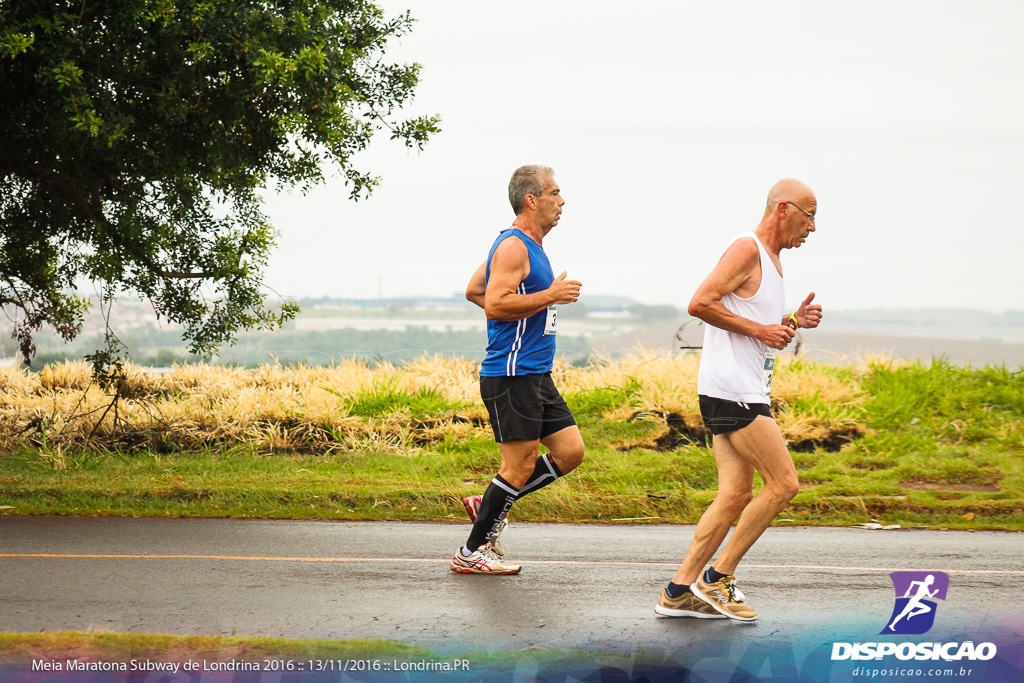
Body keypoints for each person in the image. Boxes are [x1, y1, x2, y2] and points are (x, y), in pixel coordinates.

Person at [655, 178, 823, 620]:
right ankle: (717, 578)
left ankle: (677, 591)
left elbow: (753, 320)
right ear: (784, 209)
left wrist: (790, 320)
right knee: (784, 484)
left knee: (733, 495)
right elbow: (700, 303)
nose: (812, 227)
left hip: (735, 388)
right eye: (810, 215)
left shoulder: (771, 260)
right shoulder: (746, 248)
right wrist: (764, 330)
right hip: (735, 391)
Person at [450, 165, 586, 575]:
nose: (562, 201)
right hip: (511, 373)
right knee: (519, 465)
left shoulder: (530, 245)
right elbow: (493, 302)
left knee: (570, 452)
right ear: (532, 199)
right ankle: (472, 552)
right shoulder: (513, 246)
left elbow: (476, 289)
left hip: (535, 373)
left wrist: (539, 301)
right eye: (555, 193)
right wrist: (550, 296)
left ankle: (489, 505)